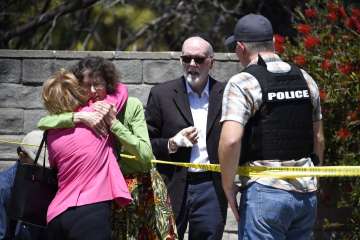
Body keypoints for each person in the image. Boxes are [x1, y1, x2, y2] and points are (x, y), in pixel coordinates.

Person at [38, 56, 178, 240]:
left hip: (138, 190)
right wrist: (78, 118)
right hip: (102, 198)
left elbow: (146, 157)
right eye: (86, 86)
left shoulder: (129, 105)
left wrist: (115, 124)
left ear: (109, 82)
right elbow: (44, 122)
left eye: (98, 84)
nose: (93, 91)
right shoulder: (83, 111)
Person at [219, 14, 325, 239]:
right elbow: (319, 138)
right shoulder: (305, 78)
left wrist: (228, 186)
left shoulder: (242, 83)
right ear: (274, 43)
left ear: (240, 47)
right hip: (306, 193)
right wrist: (313, 178)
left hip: (265, 192)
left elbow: (230, 140)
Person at [145, 36, 227, 240]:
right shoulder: (161, 94)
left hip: (211, 186)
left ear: (211, 62)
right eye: (186, 59)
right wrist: (172, 143)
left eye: (198, 60)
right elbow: (146, 141)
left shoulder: (226, 93)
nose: (192, 65)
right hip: (172, 182)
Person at [41, 69, 132, 240]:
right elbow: (120, 89)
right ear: (79, 92)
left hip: (56, 216)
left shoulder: (51, 133)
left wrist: (76, 116)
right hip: (90, 214)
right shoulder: (97, 115)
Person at [0, 130, 48, 240]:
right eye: (38, 164)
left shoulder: (46, 181)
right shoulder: (3, 187)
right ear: (22, 156)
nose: (44, 169)